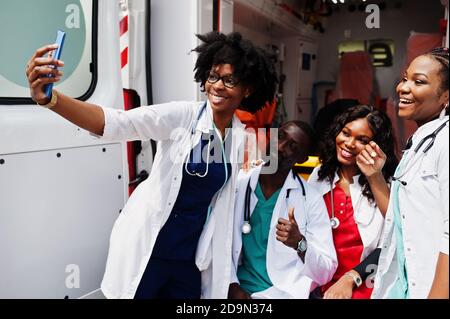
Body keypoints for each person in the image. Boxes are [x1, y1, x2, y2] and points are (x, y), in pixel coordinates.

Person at [25, 31, 278, 299]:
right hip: (150, 251)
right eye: (213, 76)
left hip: (189, 258)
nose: (217, 86)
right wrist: (51, 100)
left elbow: (225, 210)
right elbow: (118, 123)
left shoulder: (238, 138)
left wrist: (228, 276)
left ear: (247, 89)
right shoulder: (184, 116)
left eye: (230, 80)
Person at [228, 121, 337, 299]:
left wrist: (299, 243)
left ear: (302, 159)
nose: (279, 147)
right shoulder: (239, 182)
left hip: (280, 292)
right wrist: (232, 284)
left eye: (292, 147)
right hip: (234, 287)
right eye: (280, 136)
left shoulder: (310, 199)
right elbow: (218, 242)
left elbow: (326, 270)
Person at [372, 47, 449, 299]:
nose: (403, 88)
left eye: (419, 82)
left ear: (446, 96)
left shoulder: (446, 141)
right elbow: (400, 219)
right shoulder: (420, 142)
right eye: (405, 78)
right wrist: (375, 176)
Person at [308, 104, 398, 299]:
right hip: (318, 283)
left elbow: (394, 238)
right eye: (346, 133)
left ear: (376, 146)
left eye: (362, 140)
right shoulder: (319, 175)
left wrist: (351, 278)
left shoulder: (386, 184)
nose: (349, 143)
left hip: (365, 285)